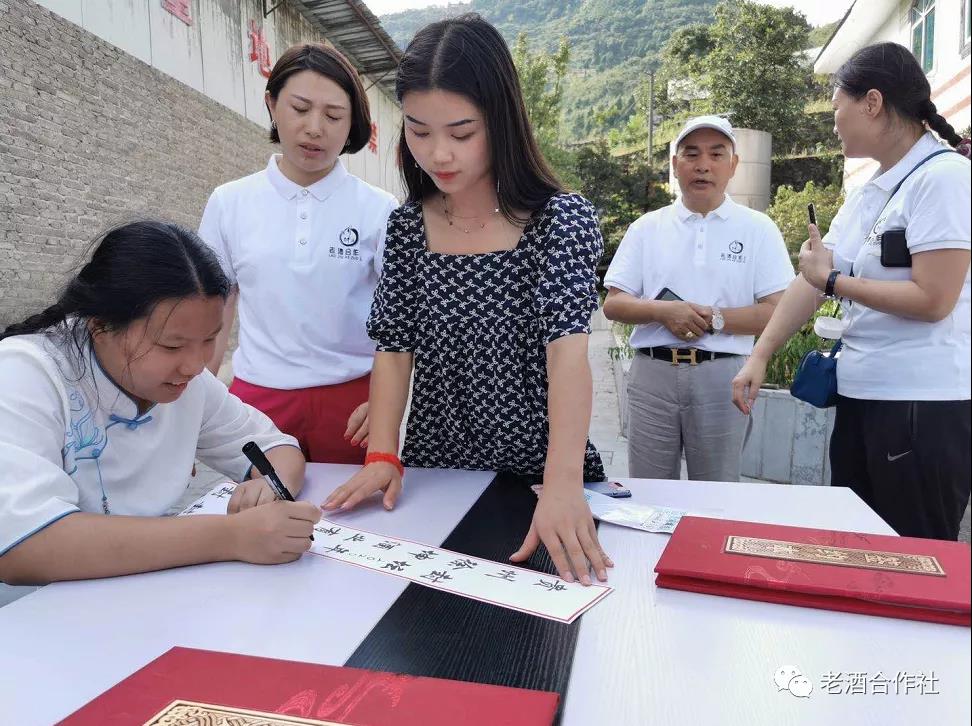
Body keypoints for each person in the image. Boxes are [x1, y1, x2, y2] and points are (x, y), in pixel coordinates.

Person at [322, 14, 612, 586]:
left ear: (500, 122)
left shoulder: (559, 221)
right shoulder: (407, 227)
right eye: (418, 131)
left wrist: (562, 485)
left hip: (540, 475)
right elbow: (395, 345)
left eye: (461, 132)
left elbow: (567, 355)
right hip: (437, 474)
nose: (438, 153)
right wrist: (383, 453)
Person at [732, 42, 971, 540]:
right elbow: (811, 279)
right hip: (863, 396)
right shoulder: (873, 191)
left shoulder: (945, 178)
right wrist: (761, 354)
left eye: (837, 107)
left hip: (921, 406)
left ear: (873, 102)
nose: (834, 121)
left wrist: (836, 281)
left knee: (914, 561)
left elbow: (934, 300)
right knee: (857, 550)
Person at [0, 221, 321, 585]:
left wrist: (269, 486)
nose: (195, 365)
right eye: (171, 345)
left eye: (210, 340)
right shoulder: (26, 373)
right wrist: (232, 535)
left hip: (136, 596)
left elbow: (276, 447)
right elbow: (23, 545)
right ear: (100, 325)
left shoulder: (188, 383)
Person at [199, 43, 398, 465]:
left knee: (349, 522)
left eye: (333, 115)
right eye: (300, 108)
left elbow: (400, 323)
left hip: (353, 404)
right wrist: (192, 409)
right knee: (260, 518)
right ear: (272, 105)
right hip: (257, 403)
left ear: (352, 124)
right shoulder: (229, 202)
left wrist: (383, 406)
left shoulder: (380, 210)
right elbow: (212, 312)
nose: (314, 128)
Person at [603, 116, 794, 482]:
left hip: (723, 375)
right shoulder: (647, 228)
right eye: (691, 154)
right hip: (652, 375)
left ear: (733, 165)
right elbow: (613, 303)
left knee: (717, 491)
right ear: (675, 165)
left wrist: (714, 318)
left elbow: (778, 310)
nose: (703, 165)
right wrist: (662, 311)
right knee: (648, 489)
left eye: (716, 154)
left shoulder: (758, 229)